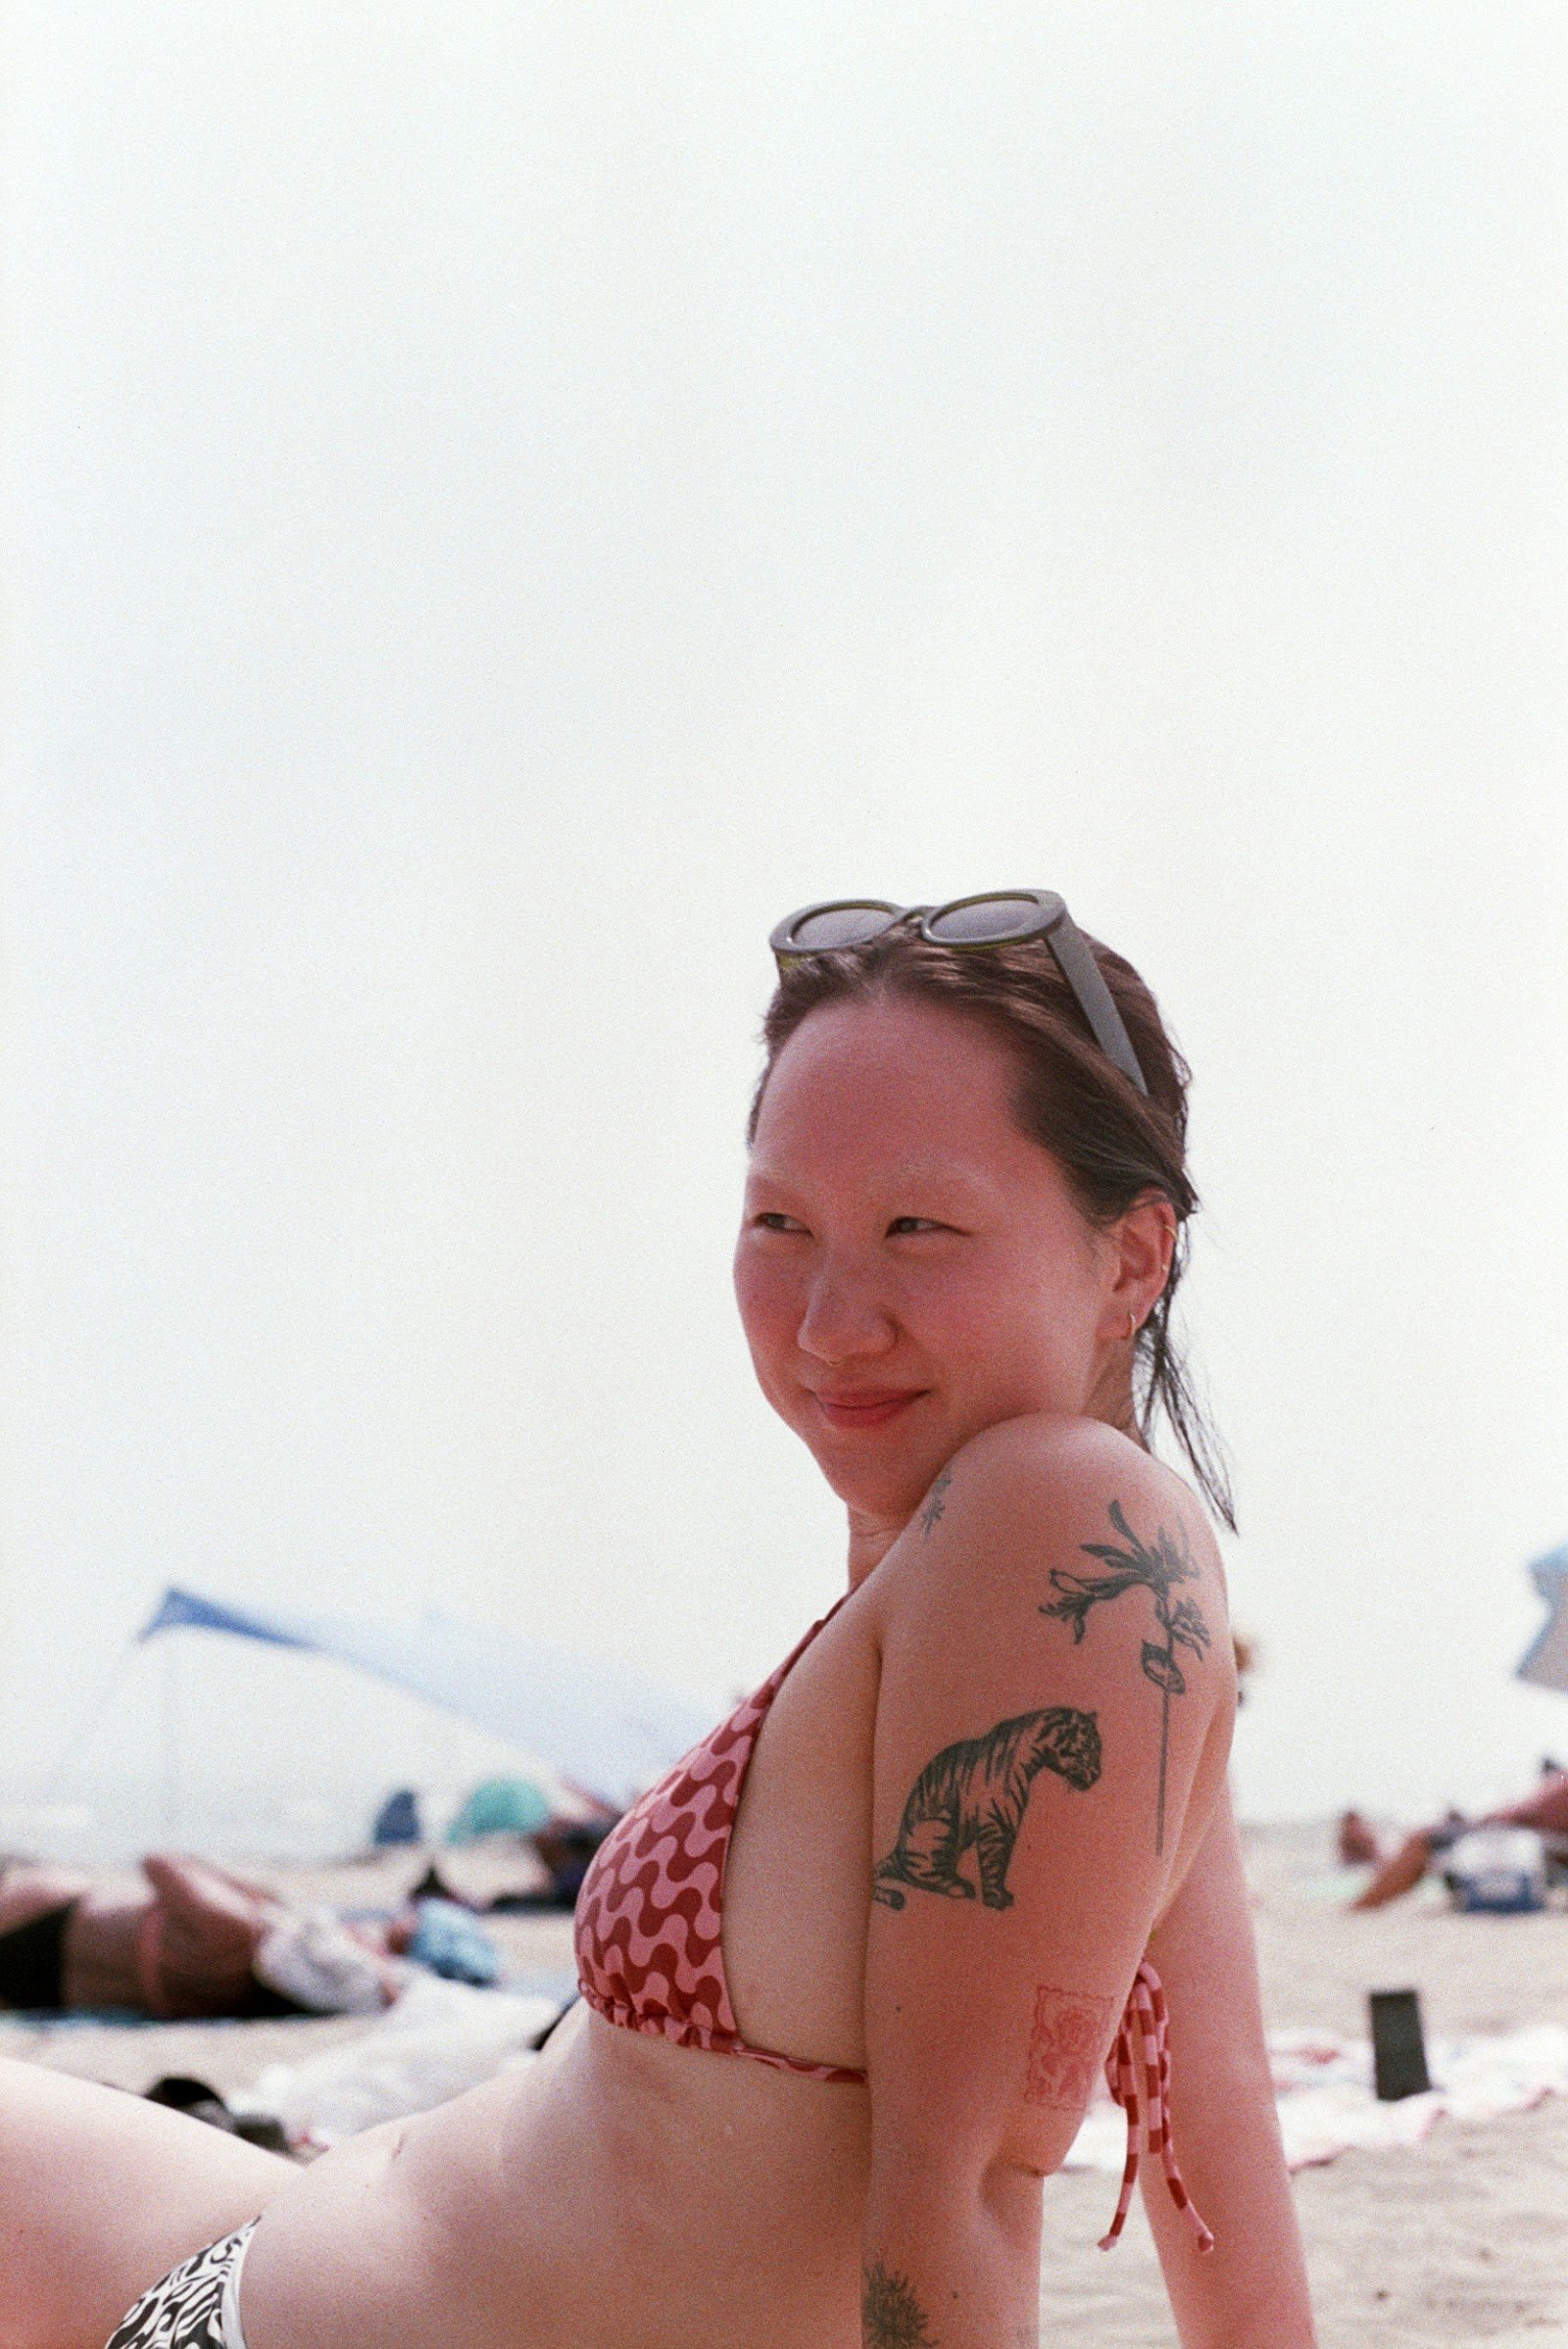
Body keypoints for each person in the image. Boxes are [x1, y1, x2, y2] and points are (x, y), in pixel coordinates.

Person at [0, 891, 1314, 2349]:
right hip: (277, 2248)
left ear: (1133, 1258)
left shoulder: (1064, 1523)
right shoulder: (1045, 1585)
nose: (826, 1319)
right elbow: (1219, 2098)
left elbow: (964, 2192)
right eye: (781, 1221)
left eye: (917, 1227)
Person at [0, 1852, 404, 2017]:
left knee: (60, 1879)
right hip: (48, 1991)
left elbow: (159, 1862)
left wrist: (255, 1894)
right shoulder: (238, 1998)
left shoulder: (238, 1926)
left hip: (50, 1923)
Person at [1348, 1769, 1568, 1909]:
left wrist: (1483, 1821)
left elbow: (1528, 1815)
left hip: (1509, 1836)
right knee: (1424, 1840)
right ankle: (1367, 1900)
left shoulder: (1561, 1787)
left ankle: (1364, 1904)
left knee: (1423, 1840)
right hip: (1517, 1836)